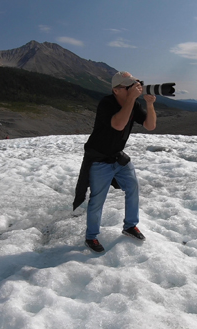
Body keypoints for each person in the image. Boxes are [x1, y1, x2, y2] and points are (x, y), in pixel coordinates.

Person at [73, 71, 157, 253]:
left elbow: (150, 125)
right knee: (98, 199)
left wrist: (149, 104)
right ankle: (91, 237)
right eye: (130, 87)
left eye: (136, 85)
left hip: (117, 156)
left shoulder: (133, 104)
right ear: (117, 90)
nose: (135, 89)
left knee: (133, 186)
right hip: (99, 159)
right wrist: (132, 100)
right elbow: (118, 124)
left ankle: (130, 226)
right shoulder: (107, 103)